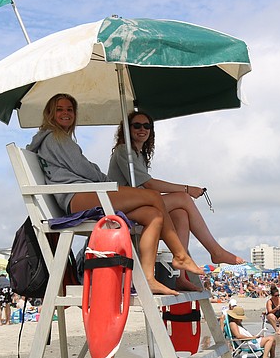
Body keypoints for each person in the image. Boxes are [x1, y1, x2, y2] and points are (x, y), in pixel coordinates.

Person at [27, 94, 204, 296]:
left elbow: (82, 168)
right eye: (60, 109)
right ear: (50, 113)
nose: (66, 113)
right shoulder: (54, 138)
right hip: (76, 197)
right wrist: (104, 180)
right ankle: (180, 254)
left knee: (152, 214)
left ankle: (148, 278)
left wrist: (100, 179)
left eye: (70, 109)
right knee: (154, 196)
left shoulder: (60, 140)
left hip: (85, 193)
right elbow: (83, 169)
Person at [107, 111, 244, 290]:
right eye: (137, 126)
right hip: (123, 206)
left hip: (138, 204)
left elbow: (145, 185)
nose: (142, 129)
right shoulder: (124, 150)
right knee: (183, 198)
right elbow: (149, 184)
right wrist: (187, 188)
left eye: (146, 126)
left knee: (180, 214)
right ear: (127, 129)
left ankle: (179, 274)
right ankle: (215, 251)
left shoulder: (138, 154)